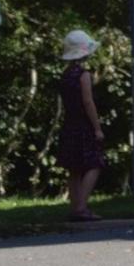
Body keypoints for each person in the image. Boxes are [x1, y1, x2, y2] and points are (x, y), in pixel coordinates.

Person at [57, 30, 105, 222]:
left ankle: (75, 206)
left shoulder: (65, 74)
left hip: (69, 122)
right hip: (83, 123)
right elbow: (87, 102)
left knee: (74, 168)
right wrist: (97, 127)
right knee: (95, 163)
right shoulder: (83, 75)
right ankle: (82, 206)